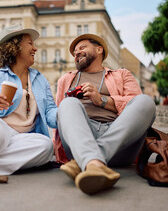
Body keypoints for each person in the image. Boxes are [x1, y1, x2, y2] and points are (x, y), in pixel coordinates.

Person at [54, 34, 156, 195]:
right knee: (67, 103)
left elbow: (134, 104)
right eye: (74, 52)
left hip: (120, 138)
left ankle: (89, 161)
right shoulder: (65, 79)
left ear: (99, 49)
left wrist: (101, 99)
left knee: (146, 101)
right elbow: (60, 117)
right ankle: (93, 160)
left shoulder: (122, 74)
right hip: (80, 137)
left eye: (82, 48)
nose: (76, 53)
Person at [0, 25, 58, 177]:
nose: (35, 49)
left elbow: (50, 112)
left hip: (24, 138)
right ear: (14, 47)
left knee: (46, 146)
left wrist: (65, 112)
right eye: (30, 43)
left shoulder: (40, 79)